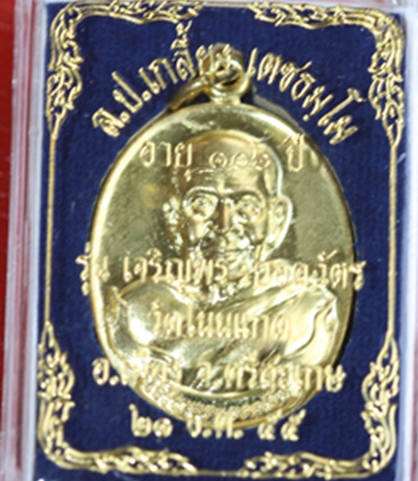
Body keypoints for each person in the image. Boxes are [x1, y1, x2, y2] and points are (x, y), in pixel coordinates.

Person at [106, 129, 338, 394]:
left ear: (276, 219)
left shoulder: (307, 313)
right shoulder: (134, 311)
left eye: (246, 206)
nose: (225, 225)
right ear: (173, 218)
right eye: (202, 204)